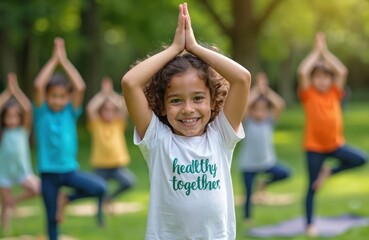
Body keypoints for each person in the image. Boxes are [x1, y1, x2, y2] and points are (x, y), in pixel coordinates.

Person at [121, 3, 251, 239]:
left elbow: (242, 79)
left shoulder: (221, 136)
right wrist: (174, 49)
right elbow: (130, 83)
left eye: (198, 98)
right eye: (176, 100)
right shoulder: (157, 141)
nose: (188, 109)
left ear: (213, 100)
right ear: (161, 105)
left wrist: (194, 48)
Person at [33, 37, 106, 240]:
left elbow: (80, 86)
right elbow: (39, 84)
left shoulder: (69, 112)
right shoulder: (42, 113)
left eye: (61, 96)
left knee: (100, 188)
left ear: (67, 97)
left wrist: (63, 60)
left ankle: (66, 199)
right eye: (53, 96)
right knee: (51, 219)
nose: (57, 100)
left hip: (69, 171)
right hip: (48, 173)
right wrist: (53, 60)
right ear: (47, 97)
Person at [297, 32, 367, 236]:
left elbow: (341, 70)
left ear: (330, 80)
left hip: (336, 144)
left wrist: (325, 52)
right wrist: (314, 53)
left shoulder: (335, 92)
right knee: (312, 187)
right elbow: (302, 72)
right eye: (317, 77)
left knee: (361, 159)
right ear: (313, 80)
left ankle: (329, 172)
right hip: (314, 147)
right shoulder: (308, 94)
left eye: (325, 77)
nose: (321, 81)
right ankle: (310, 224)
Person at [238, 72, 290, 225]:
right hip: (248, 164)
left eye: (263, 109)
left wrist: (266, 91)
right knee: (248, 194)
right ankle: (247, 218)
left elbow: (280, 104)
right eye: (257, 109)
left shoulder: (269, 121)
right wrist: (256, 90)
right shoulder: (247, 122)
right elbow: (245, 104)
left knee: (286, 173)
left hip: (267, 162)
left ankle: (264, 184)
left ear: (267, 111)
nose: (260, 113)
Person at [87, 76, 135, 212]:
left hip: (116, 166)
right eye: (105, 110)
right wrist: (103, 95)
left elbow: (124, 107)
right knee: (97, 190)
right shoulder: (96, 124)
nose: (109, 113)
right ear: (101, 112)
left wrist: (110, 93)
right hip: (100, 166)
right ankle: (100, 213)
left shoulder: (118, 123)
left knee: (129, 182)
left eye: (111, 110)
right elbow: (91, 109)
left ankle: (110, 198)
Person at [0, 73, 39, 233]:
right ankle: (6, 229)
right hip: (4, 172)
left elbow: (28, 109)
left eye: (16, 116)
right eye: (9, 116)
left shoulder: (23, 130)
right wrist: (7, 92)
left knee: (36, 190)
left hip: (23, 171)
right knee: (4, 203)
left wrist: (15, 90)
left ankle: (14, 201)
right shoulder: (2, 132)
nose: (13, 119)